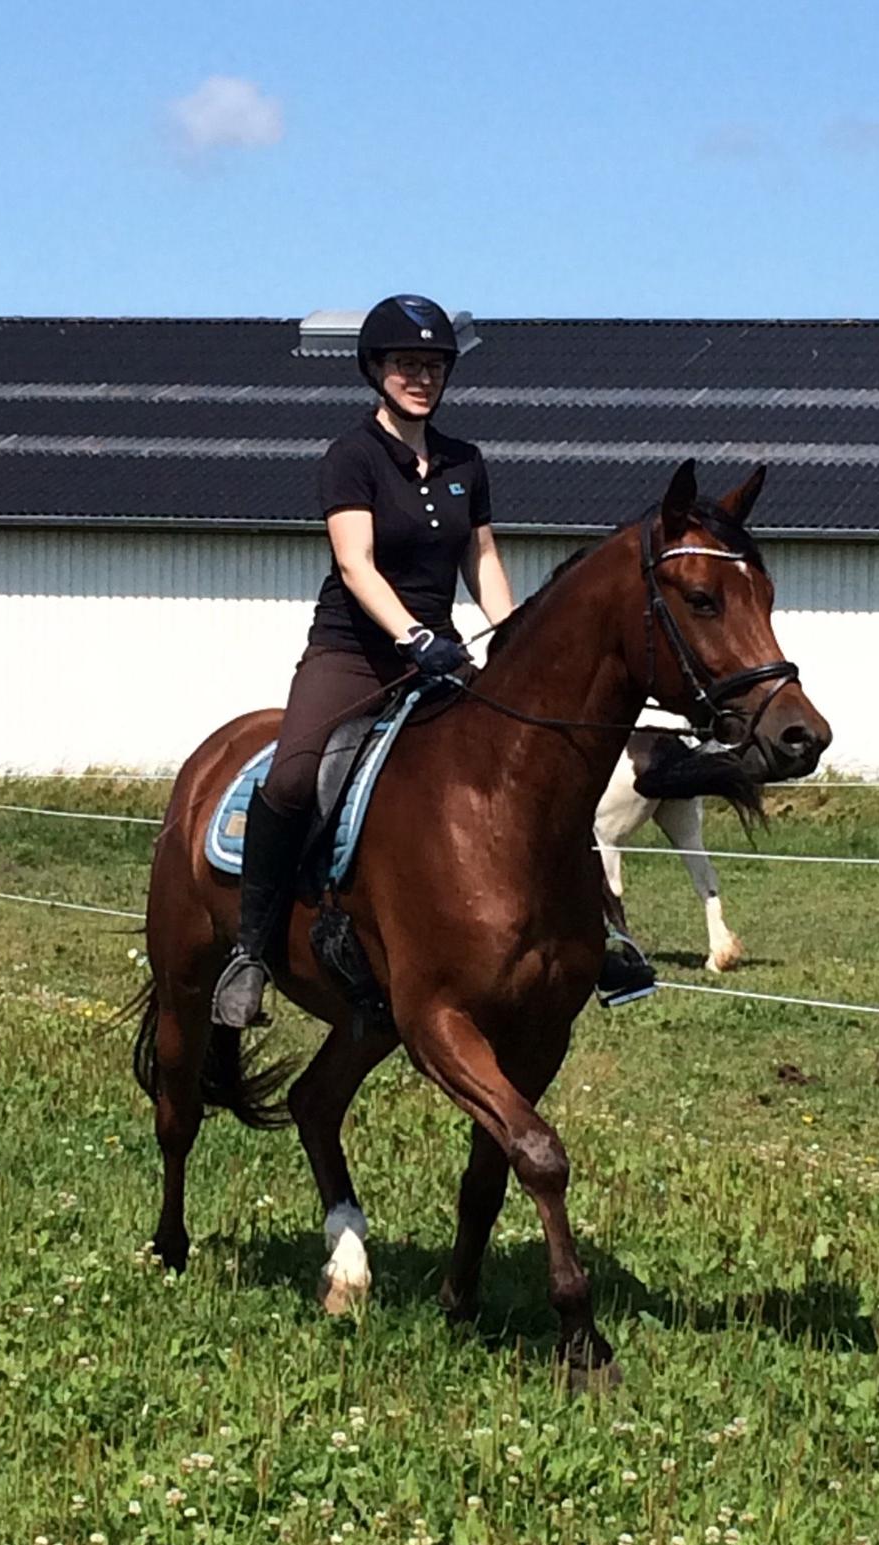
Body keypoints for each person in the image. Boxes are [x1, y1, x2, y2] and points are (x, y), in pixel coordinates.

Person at [211, 294, 516, 1029]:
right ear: (376, 370)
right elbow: (357, 565)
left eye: (433, 365)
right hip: (354, 654)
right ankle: (251, 951)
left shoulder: (464, 462)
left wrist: (510, 637)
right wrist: (412, 634)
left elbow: (483, 558)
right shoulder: (352, 457)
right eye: (407, 364)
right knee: (288, 779)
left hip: (436, 656)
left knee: (520, 764)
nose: (421, 377)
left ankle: (596, 933)